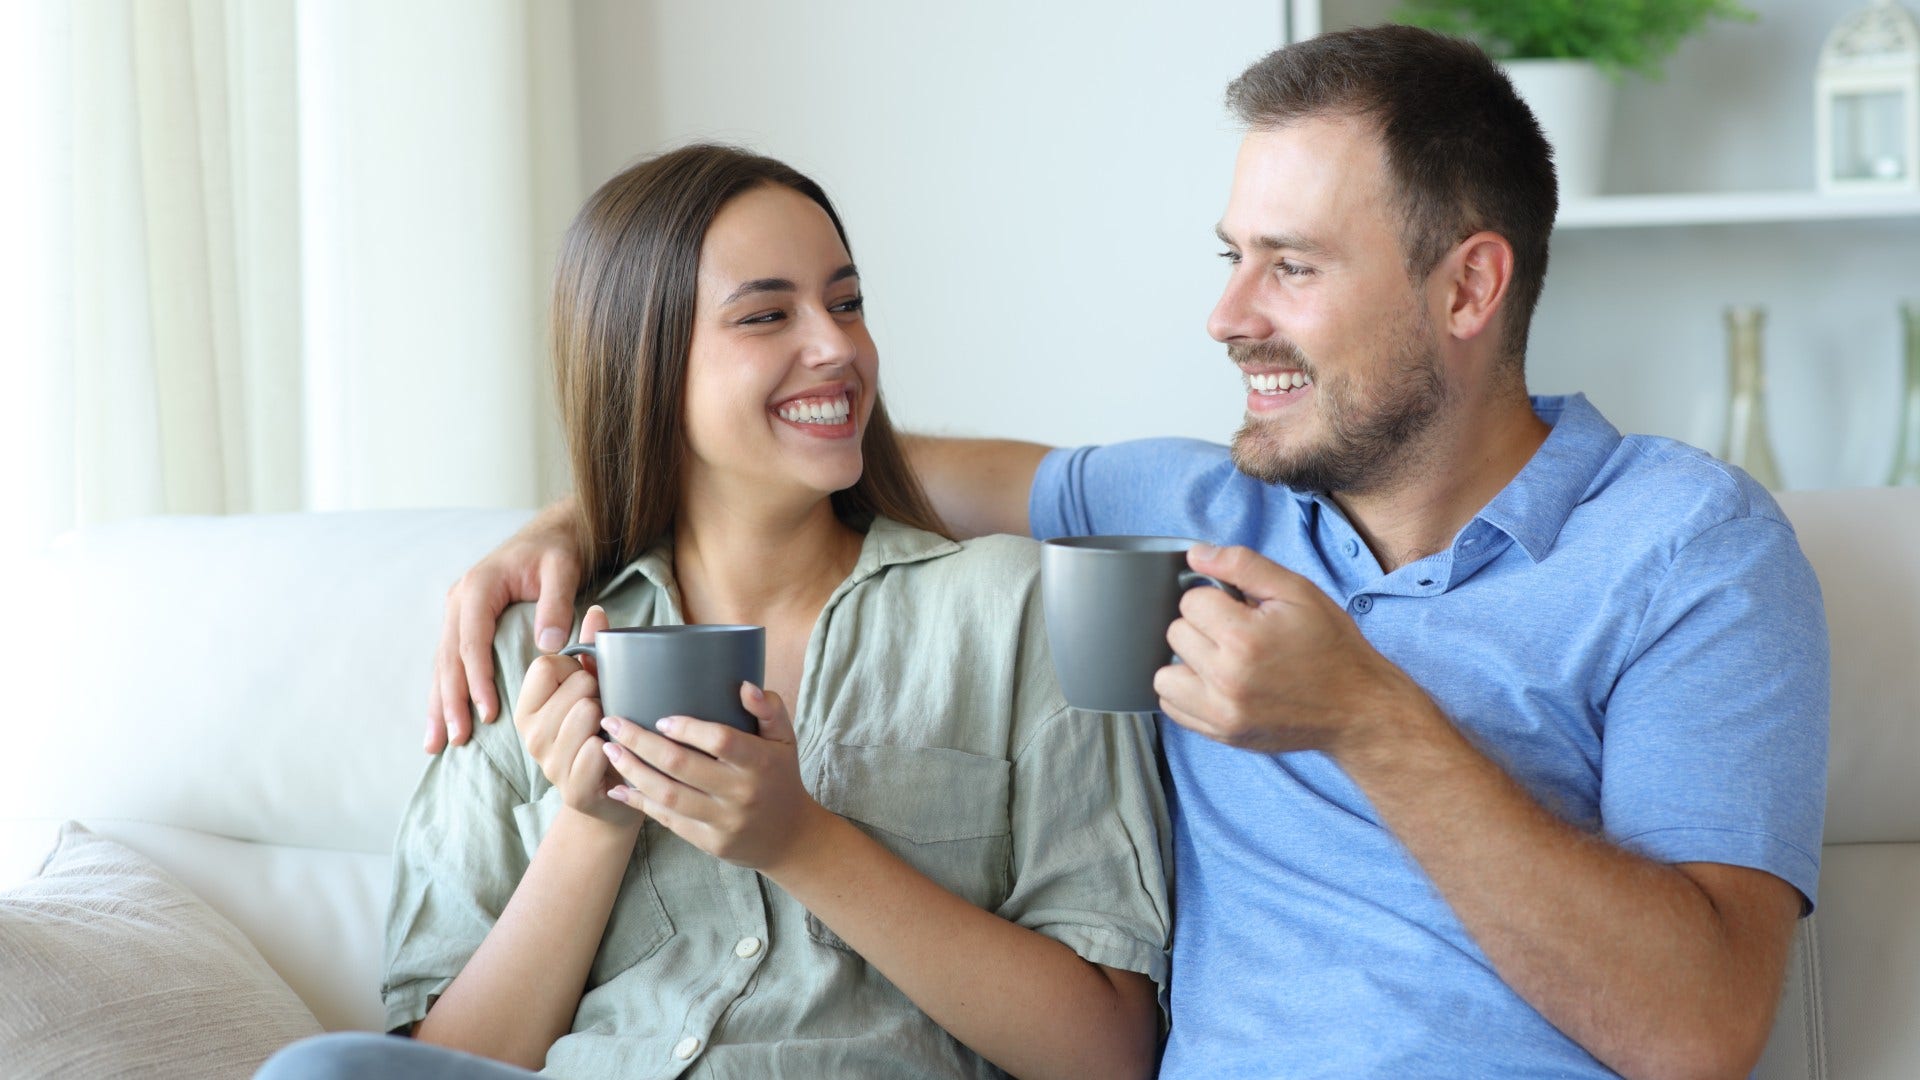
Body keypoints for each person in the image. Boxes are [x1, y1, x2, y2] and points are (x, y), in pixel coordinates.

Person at [425, 26, 1829, 1080]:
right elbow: (868, 459)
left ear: (1469, 284)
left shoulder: (1684, 547)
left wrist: (1366, 718)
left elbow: (1700, 1028)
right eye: (1229, 255)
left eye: (1290, 265)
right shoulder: (1203, 506)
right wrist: (583, 520)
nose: (1225, 315)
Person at [264, 144, 1169, 1080]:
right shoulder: (524, 641)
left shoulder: (1015, 612)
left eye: (846, 303)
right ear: (643, 364)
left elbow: (1106, 1054)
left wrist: (803, 843)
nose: (837, 347)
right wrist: (591, 823)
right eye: (768, 314)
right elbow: (447, 1067)